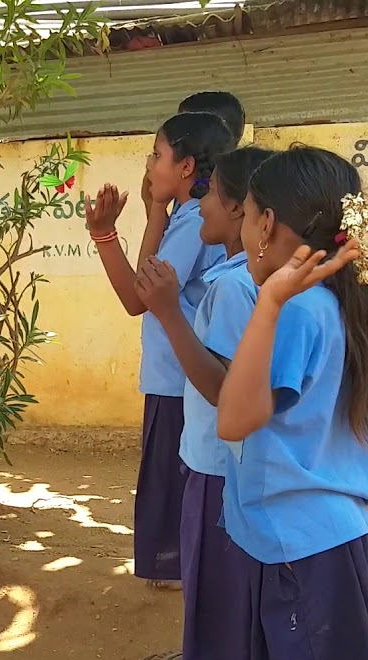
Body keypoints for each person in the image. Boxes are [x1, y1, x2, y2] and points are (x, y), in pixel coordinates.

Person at [210, 146, 368, 660]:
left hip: (300, 550)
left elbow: (233, 419)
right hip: (329, 540)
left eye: (247, 214)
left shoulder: (298, 309)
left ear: (266, 225)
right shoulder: (339, 301)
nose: (244, 229)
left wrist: (269, 302)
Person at [132, 145, 274, 660]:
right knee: (215, 578)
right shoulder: (242, 278)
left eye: (211, 194)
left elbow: (222, 388)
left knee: (214, 581)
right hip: (221, 459)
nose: (202, 205)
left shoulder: (233, 287)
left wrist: (169, 311)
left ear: (241, 210)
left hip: (218, 462)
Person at [83, 112, 237, 590]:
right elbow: (147, 281)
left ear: (186, 166)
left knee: (176, 480)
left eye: (157, 154)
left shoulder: (192, 225)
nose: (149, 164)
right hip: (174, 374)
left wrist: (104, 236)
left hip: (179, 377)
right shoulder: (184, 219)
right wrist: (154, 211)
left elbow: (138, 297)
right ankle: (177, 566)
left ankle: (177, 569)